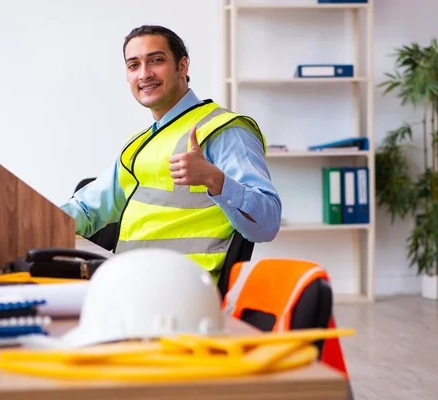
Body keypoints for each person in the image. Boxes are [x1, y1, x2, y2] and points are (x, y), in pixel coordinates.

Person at [61, 24, 282, 281]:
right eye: (134, 65)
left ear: (182, 66)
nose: (144, 74)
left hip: (184, 289)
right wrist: (35, 225)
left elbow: (267, 225)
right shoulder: (139, 143)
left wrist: (215, 180)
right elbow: (88, 208)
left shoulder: (224, 130)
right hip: (132, 279)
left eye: (156, 61)